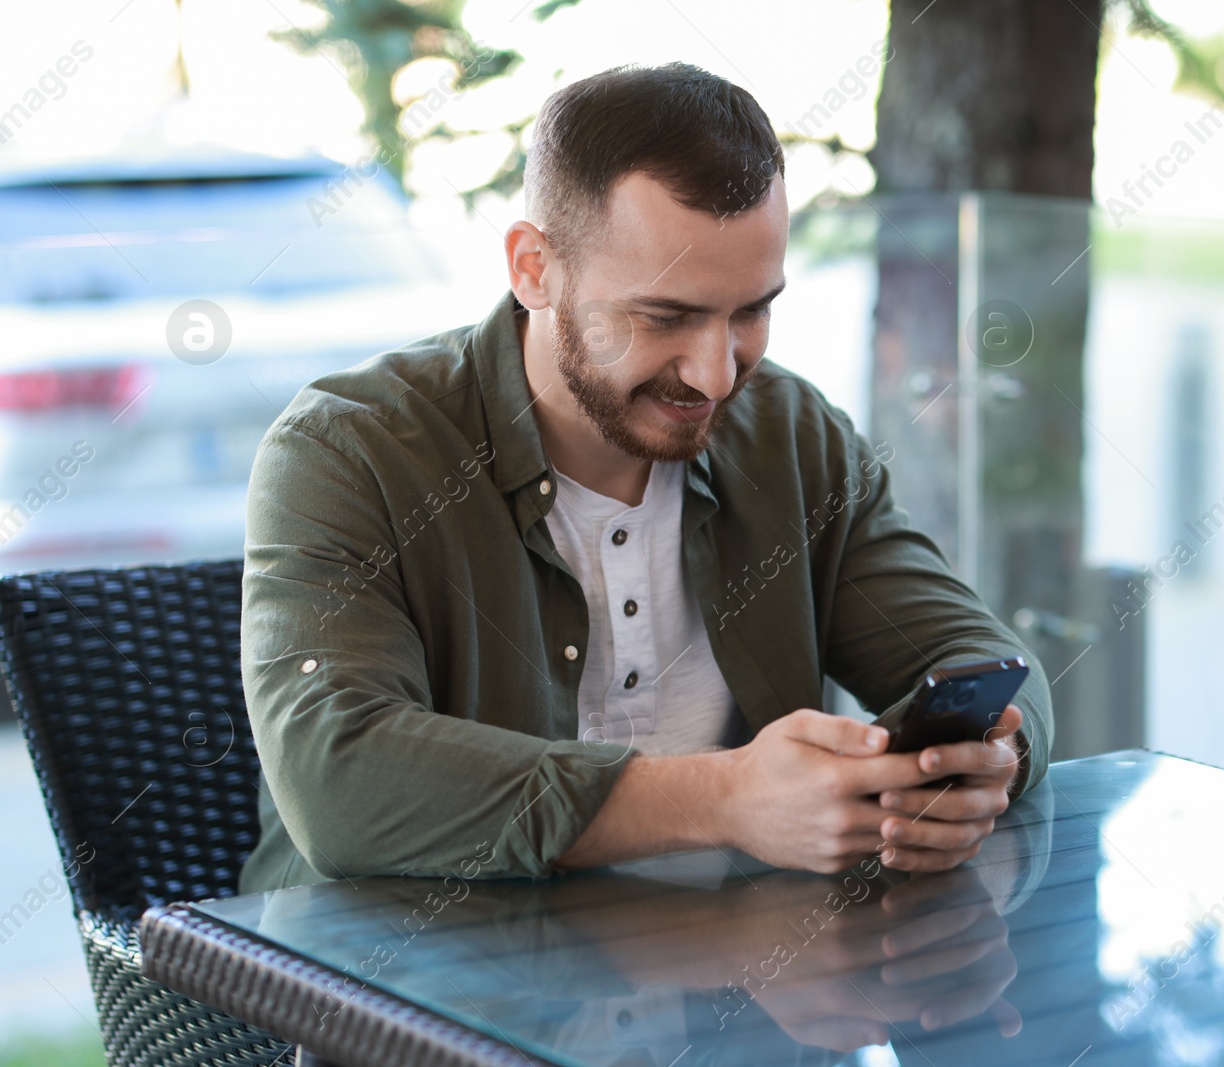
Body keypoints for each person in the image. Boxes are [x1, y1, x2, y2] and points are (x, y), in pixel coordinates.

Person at [238, 61, 1054, 893]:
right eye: (666, 316)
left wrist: (981, 760)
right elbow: (338, 778)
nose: (714, 376)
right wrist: (724, 798)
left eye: (751, 311)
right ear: (533, 268)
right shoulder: (349, 451)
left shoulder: (792, 436)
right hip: (399, 995)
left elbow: (980, 655)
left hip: (743, 983)